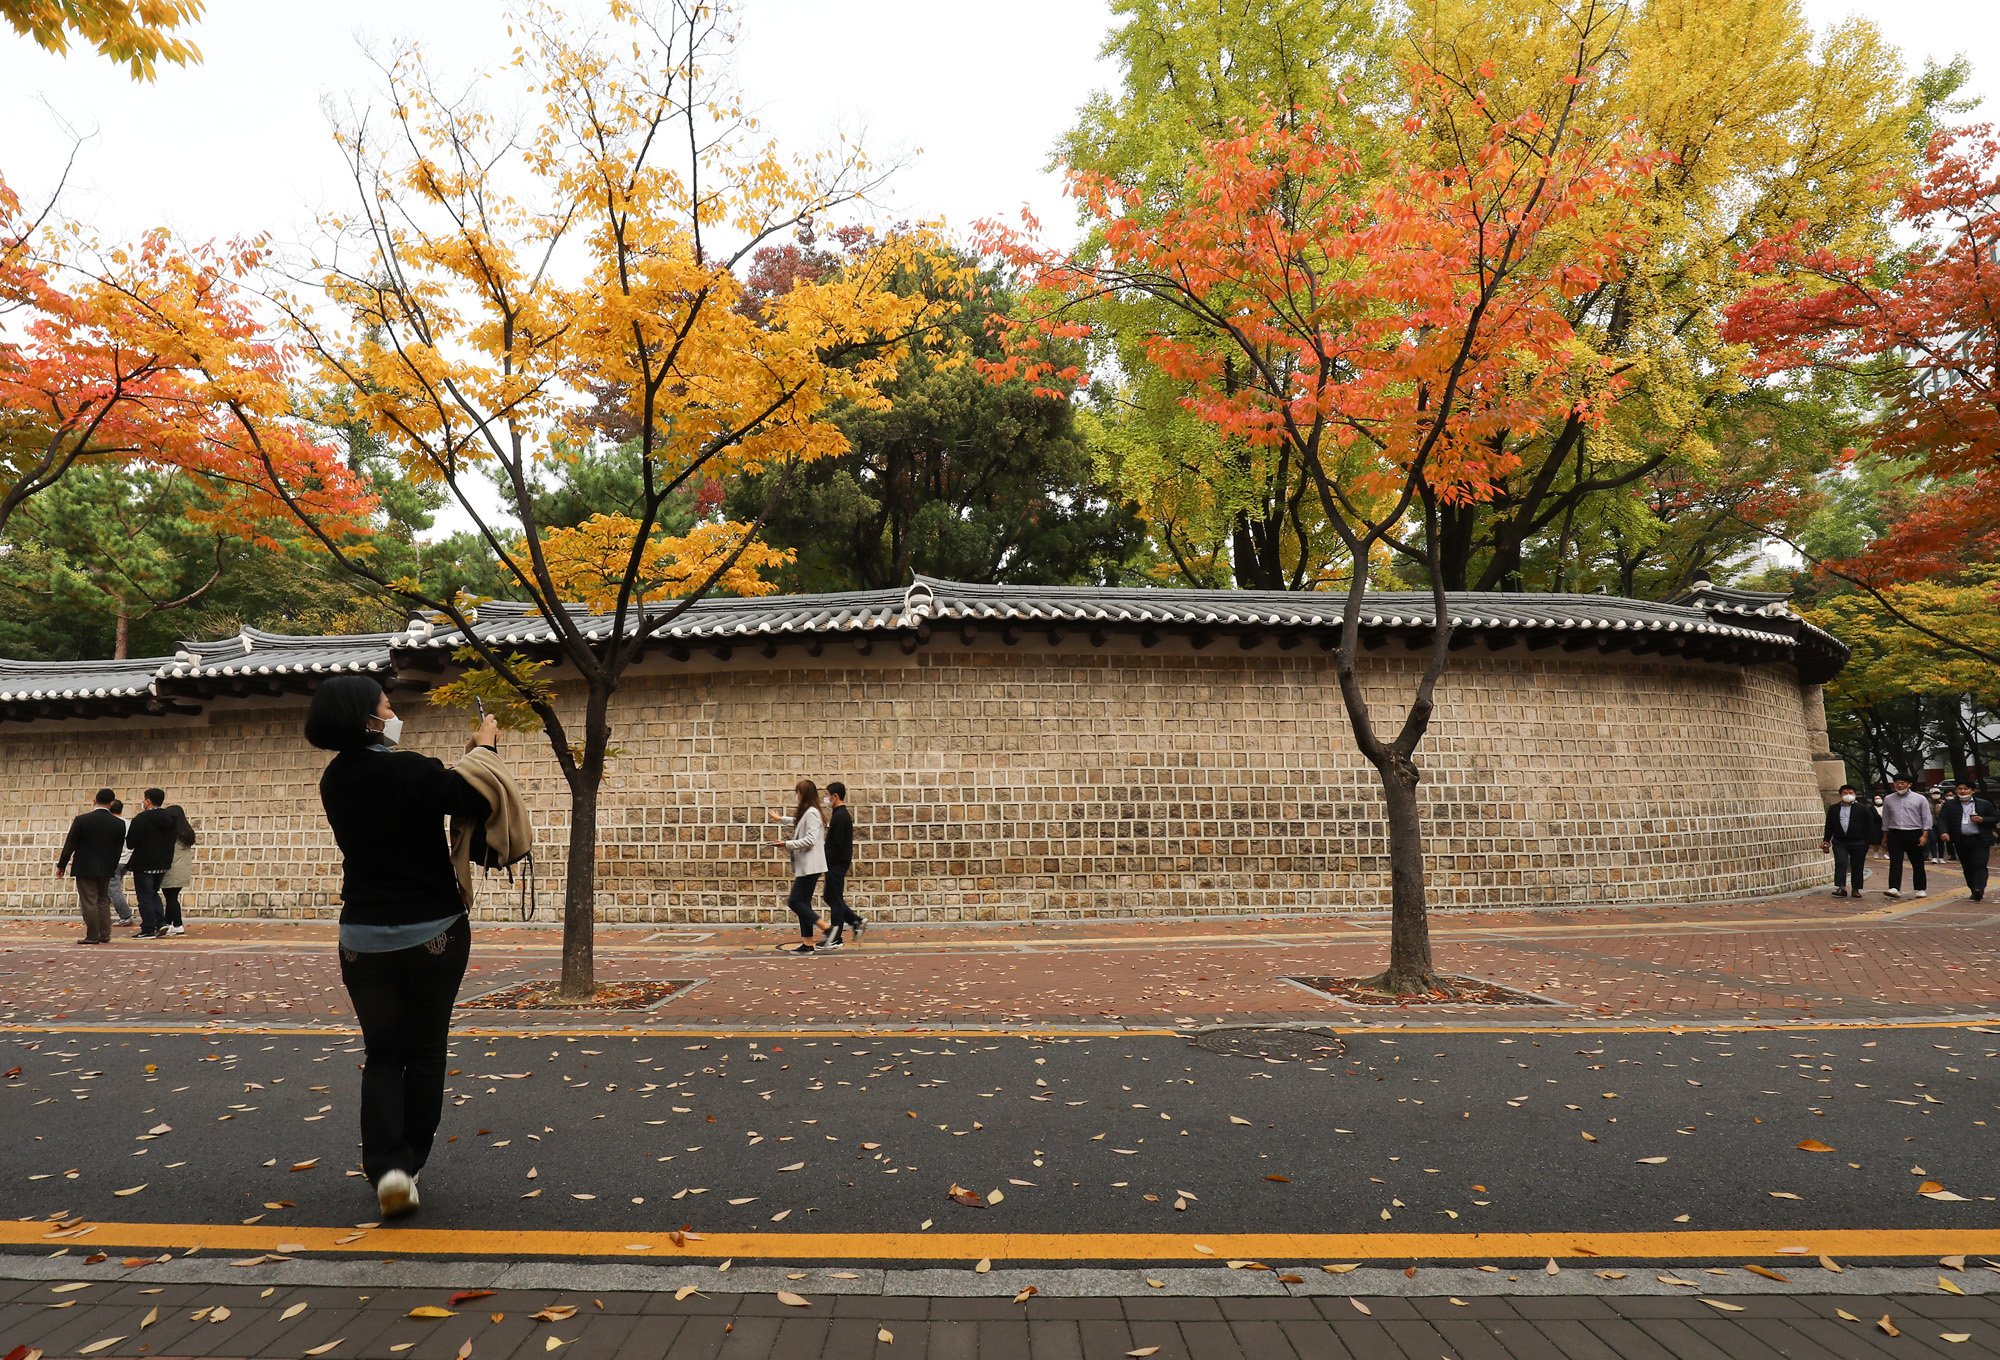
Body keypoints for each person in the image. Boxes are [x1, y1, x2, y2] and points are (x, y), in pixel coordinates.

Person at [307, 674, 500, 1219]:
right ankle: (407, 1166)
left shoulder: (334, 780)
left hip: (361, 937)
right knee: (426, 1051)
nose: (394, 714)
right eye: (387, 706)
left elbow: (429, 789)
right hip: (431, 930)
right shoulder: (411, 768)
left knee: (384, 1053)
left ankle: (387, 1167)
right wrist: (484, 749)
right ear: (368, 719)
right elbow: (471, 795)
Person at [55, 788, 124, 945]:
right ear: (112, 803)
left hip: (85, 866)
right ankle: (104, 933)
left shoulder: (82, 820)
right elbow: (118, 849)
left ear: (94, 801)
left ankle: (92, 935)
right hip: (106, 867)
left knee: (89, 901)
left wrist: (62, 865)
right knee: (102, 900)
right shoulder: (118, 823)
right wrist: (112, 866)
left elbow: (70, 844)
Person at [768, 779, 826, 954]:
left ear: (803, 794)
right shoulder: (809, 812)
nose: (797, 796)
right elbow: (798, 821)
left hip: (811, 866)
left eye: (798, 793)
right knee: (804, 904)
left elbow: (810, 839)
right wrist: (781, 819)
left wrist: (786, 844)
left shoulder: (812, 813)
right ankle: (807, 943)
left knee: (795, 901)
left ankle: (826, 927)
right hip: (807, 866)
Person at [126, 788, 183, 940]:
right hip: (163, 862)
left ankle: (148, 929)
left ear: (148, 801)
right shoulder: (171, 818)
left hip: (144, 863)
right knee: (153, 893)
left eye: (144, 799)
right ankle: (161, 922)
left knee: (144, 896)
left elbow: (130, 842)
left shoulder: (141, 819)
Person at [819, 781, 865, 947]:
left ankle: (836, 937)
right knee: (830, 896)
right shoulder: (839, 814)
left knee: (835, 899)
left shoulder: (840, 816)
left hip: (836, 864)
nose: (825, 798)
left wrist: (828, 862)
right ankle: (855, 921)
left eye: (827, 794)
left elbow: (837, 844)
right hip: (835, 863)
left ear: (835, 796)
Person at [1939, 780, 1995, 902]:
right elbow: (1942, 819)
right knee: (1967, 866)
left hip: (1980, 839)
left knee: (1979, 864)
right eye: (1960, 789)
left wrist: (1983, 819)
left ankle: (1979, 888)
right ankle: (1973, 889)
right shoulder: (1950, 805)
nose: (1962, 791)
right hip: (1961, 839)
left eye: (1966, 789)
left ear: (1973, 791)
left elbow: (1995, 818)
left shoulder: (1984, 804)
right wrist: (1944, 832)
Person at [1820, 784, 1881, 897]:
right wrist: (1826, 840)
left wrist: (1869, 841)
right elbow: (1829, 825)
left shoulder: (1863, 809)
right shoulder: (1834, 809)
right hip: (1840, 841)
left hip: (1859, 842)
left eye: (1850, 793)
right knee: (1841, 862)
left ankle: (1856, 889)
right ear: (1840, 795)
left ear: (1855, 794)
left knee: (1857, 865)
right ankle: (1841, 887)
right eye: (1845, 793)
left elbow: (1870, 825)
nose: (1848, 795)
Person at [1881, 774, 1932, 898]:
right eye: (1897, 783)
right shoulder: (1888, 799)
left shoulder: (1920, 799)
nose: (1899, 785)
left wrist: (1925, 835)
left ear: (1909, 784)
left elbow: (1926, 817)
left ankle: (1920, 888)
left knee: (1917, 861)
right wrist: (1885, 835)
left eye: (1902, 783)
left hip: (1914, 832)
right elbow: (1886, 817)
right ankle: (1894, 887)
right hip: (1895, 833)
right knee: (1895, 861)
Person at [159, 804, 197, 935]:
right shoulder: (187, 832)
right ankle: (168, 923)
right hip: (183, 870)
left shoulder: (170, 832)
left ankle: (178, 924)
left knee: (171, 898)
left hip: (171, 870)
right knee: (172, 897)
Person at [105, 798, 137, 929]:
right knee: (107, 889)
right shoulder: (129, 823)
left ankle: (125, 916)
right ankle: (101, 914)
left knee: (113, 890)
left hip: (114, 861)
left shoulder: (110, 824)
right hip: (126, 860)